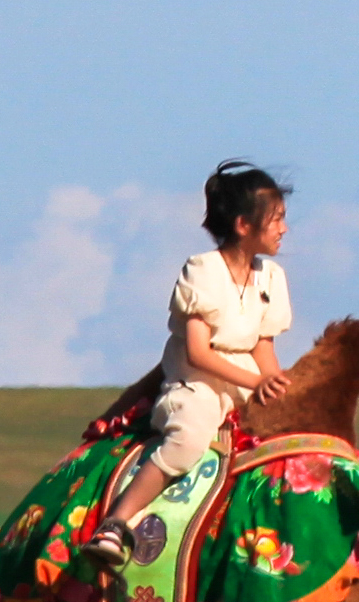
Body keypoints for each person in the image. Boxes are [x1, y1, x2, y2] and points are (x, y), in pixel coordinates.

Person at [87, 163, 294, 566]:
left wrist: (278, 387)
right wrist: (254, 380)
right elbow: (199, 352)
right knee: (187, 443)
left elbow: (263, 347)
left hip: (244, 384)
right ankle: (115, 523)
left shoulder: (271, 277)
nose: (284, 229)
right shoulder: (202, 272)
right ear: (243, 225)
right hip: (195, 384)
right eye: (277, 220)